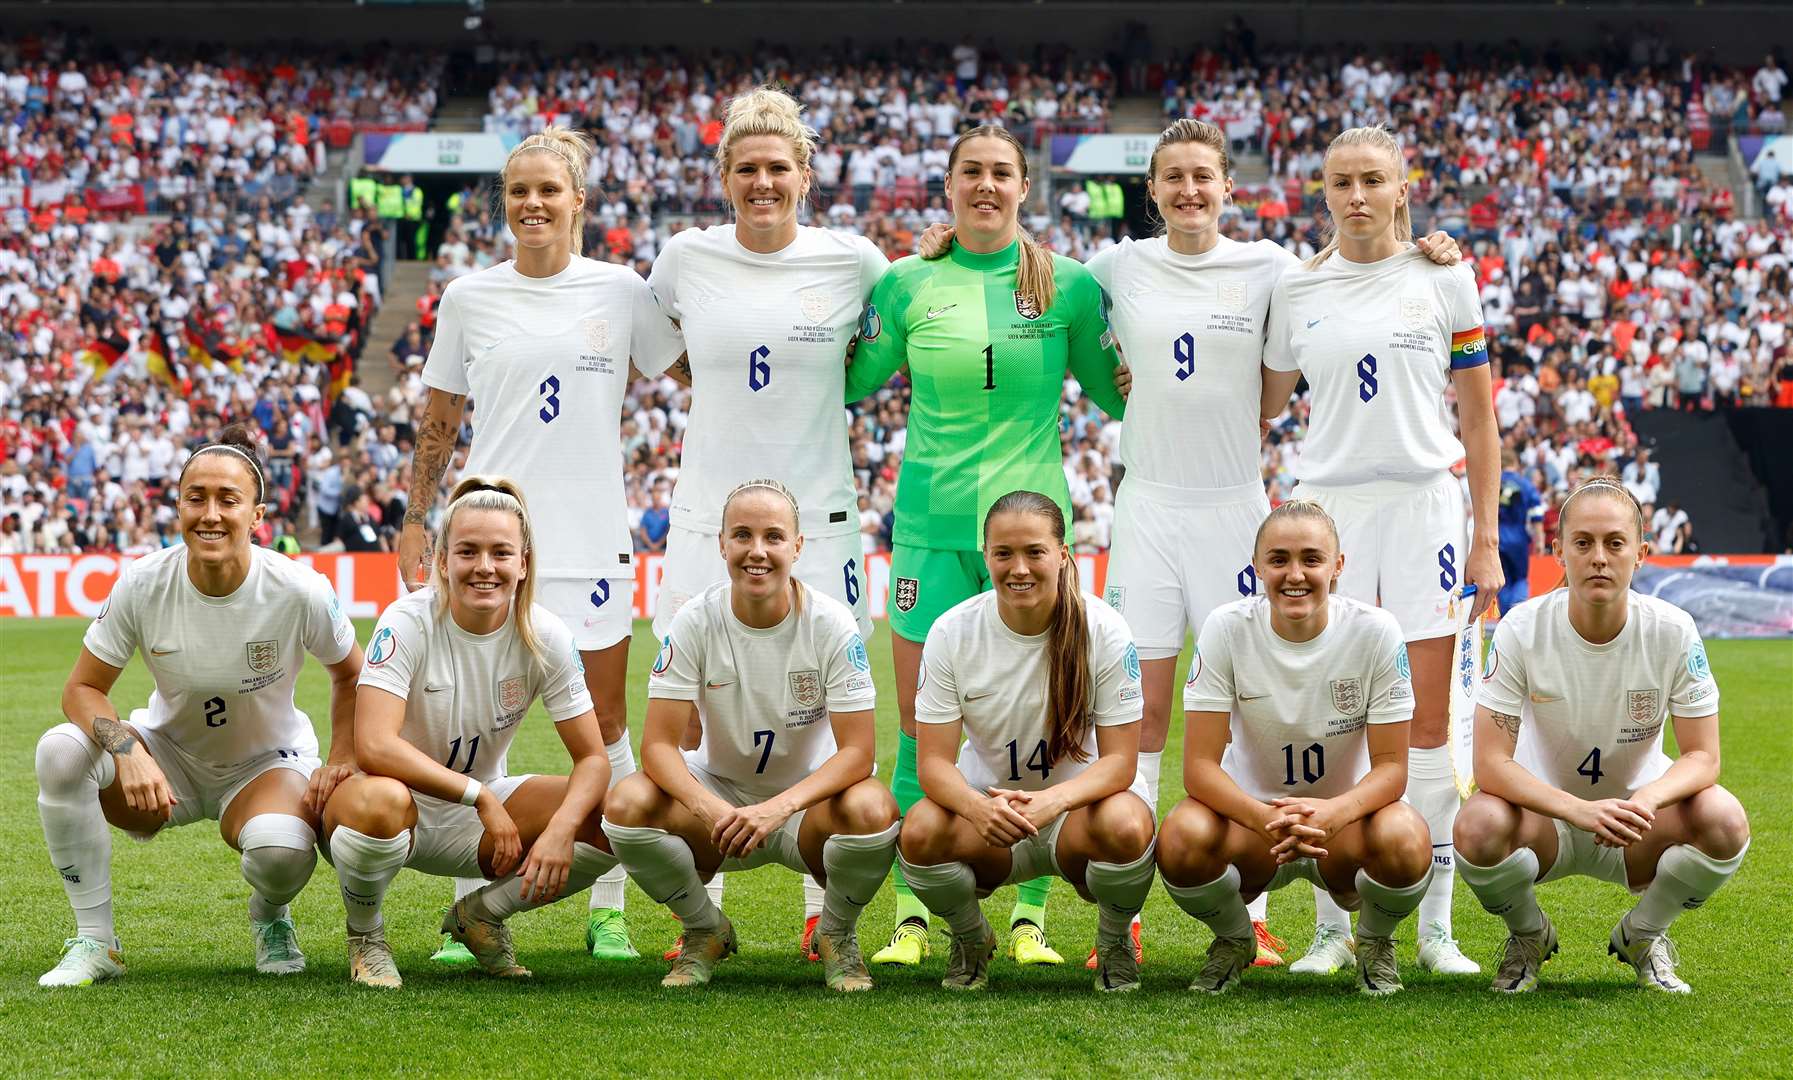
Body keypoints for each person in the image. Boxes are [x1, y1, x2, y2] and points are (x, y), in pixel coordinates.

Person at [1081, 118, 1459, 969]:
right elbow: (1038, 284)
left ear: (1226, 187)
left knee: (1260, 709)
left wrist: (1424, 247)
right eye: (1171, 178)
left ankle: (1259, 912)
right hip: (1144, 508)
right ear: (1153, 191)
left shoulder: (1274, 271)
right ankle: (1124, 928)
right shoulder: (1118, 266)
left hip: (1232, 509)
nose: (1187, 191)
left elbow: (1327, 319)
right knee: (1138, 718)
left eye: (1202, 178)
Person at [846, 125, 1128, 968]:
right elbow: (848, 381)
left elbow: (1120, 399)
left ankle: (1029, 917)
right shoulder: (905, 284)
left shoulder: (1069, 286)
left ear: (1022, 188)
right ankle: (912, 914)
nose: (986, 185)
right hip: (930, 529)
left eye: (1001, 173)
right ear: (947, 186)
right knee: (915, 729)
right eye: (971, 172)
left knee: (1056, 725)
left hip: (1033, 533)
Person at [404, 127, 684, 961]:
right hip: (486, 538)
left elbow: (694, 371)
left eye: (548, 190)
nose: (532, 203)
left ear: (577, 203)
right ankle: (466, 903)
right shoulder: (468, 297)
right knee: (466, 728)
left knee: (603, 723)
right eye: (517, 190)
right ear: (504, 204)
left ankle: (608, 908)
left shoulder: (621, 289)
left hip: (591, 537)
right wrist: (420, 517)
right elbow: (440, 421)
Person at [646, 87, 888, 957]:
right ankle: (699, 915)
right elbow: (660, 351)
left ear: (805, 176)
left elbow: (893, 331)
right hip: (708, 513)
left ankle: (824, 914)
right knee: (693, 712)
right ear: (723, 178)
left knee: (824, 710)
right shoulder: (684, 258)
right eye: (745, 168)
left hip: (821, 515)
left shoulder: (854, 260)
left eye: (776, 168)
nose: (761, 182)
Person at [1261, 125, 1503, 977]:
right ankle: (1333, 925)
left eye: (1372, 180)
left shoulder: (1445, 275)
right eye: (1339, 182)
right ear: (1320, 192)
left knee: (1429, 728)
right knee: (1337, 729)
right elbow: (1256, 397)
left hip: (1423, 509)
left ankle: (1434, 927)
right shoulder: (1296, 289)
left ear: (1404, 187)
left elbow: (1477, 420)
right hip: (1328, 513)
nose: (1355, 195)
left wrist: (1484, 539)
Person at [35, 426, 364, 987]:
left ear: (256, 515)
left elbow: (352, 674)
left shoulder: (299, 589)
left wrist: (339, 758)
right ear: (179, 506)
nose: (210, 514)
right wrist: (128, 748)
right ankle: (97, 941)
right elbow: (80, 691)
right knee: (59, 752)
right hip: (167, 760)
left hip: (266, 763)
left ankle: (270, 915)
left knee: (281, 855)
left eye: (228, 500)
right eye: (196, 498)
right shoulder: (142, 582)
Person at [323, 477, 621, 989]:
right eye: (468, 552)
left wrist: (559, 828)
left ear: (523, 563)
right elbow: (373, 744)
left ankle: (479, 915)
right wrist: (479, 794)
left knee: (610, 814)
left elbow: (593, 759)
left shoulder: (546, 634)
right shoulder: (407, 621)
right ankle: (366, 935)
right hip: (393, 805)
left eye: (501, 553)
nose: (485, 567)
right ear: (442, 561)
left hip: (478, 817)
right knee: (381, 803)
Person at [602, 480, 900, 990]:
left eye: (773, 536)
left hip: (806, 807)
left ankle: (836, 934)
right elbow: (656, 745)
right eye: (742, 535)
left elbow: (858, 752)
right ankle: (704, 928)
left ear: (797, 546)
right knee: (625, 804)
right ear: (721, 544)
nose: (757, 551)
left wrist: (778, 808)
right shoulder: (693, 621)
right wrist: (709, 807)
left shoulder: (832, 624)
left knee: (873, 810)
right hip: (721, 801)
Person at [1456, 478, 1750, 993]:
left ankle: (1643, 934)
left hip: (1637, 822)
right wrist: (1576, 809)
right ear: (1559, 552)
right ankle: (1528, 936)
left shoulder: (1673, 630)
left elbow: (1703, 757)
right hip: (1546, 821)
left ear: (1639, 554)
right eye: (1583, 543)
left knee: (1724, 821)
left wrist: (1648, 800)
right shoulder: (1522, 628)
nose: (1598, 558)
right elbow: (1491, 764)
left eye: (1614, 544)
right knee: (1476, 827)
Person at [1157, 500, 1433, 996]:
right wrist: (1265, 819)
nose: (1295, 575)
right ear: (1257, 565)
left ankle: (1373, 943)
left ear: (1338, 566)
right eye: (1279, 560)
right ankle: (1235, 938)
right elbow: (1198, 767)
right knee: (1181, 836)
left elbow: (1392, 769)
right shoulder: (1225, 627)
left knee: (1407, 838)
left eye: (1311, 559)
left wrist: (1332, 813)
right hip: (1256, 827)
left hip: (1346, 829)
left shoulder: (1375, 631)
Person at [895, 491, 1156, 993]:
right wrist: (976, 807)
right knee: (922, 829)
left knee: (1127, 823)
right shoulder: (952, 632)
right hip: (991, 820)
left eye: (1034, 552)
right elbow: (932, 764)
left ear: (1063, 553)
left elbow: (1122, 763)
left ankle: (1114, 940)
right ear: (986, 555)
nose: (1019, 568)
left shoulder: (1103, 629)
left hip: (1080, 816)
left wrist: (1050, 802)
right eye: (1003, 553)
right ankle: (972, 939)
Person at [1496, 449, 1543, 619]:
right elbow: (1536, 515)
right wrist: (1539, 540)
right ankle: (1517, 616)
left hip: (1497, 538)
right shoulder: (1526, 485)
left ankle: (1505, 619)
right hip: (1518, 538)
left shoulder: (1493, 483)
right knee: (1520, 579)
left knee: (1503, 580)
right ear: (1516, 464)